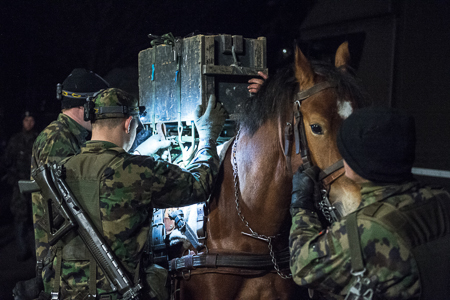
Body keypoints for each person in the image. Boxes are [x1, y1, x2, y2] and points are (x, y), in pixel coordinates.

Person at [38, 88, 226, 299]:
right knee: (160, 276)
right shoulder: (139, 170)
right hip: (118, 293)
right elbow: (199, 184)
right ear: (128, 124)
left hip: (62, 293)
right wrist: (207, 137)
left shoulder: (60, 170)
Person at [289, 107, 450, 299]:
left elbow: (302, 267)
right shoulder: (441, 199)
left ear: (355, 163)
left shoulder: (365, 229)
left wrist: (301, 205)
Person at [2, 111, 38, 261]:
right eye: (26, 120)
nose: (28, 123)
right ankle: (23, 250)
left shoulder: (38, 139)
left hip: (35, 184)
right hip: (19, 185)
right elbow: (7, 161)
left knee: (36, 217)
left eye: (31, 120)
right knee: (20, 217)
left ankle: (38, 250)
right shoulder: (16, 140)